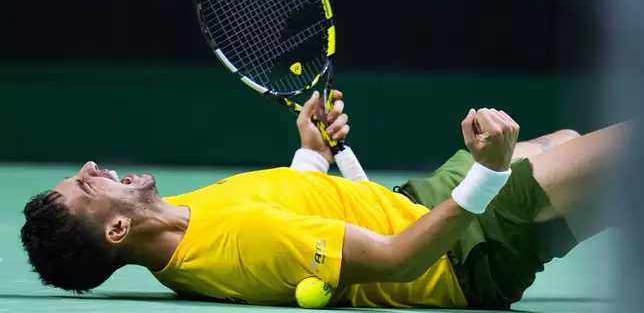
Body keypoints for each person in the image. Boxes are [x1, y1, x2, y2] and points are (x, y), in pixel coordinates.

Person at [20, 90, 628, 310]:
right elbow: (395, 262)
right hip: (462, 249)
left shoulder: (175, 222)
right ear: (117, 232)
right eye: (83, 186)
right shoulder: (230, 249)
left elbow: (282, 213)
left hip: (417, 203)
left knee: (575, 147)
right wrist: (489, 175)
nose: (91, 168)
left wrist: (311, 154)